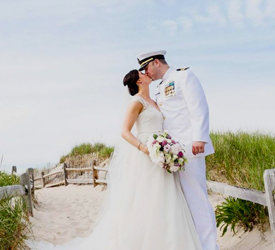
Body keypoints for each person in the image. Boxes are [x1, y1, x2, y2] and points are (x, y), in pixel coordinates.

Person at [28, 70, 202, 250]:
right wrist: (145, 149)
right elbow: (124, 132)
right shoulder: (137, 102)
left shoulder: (156, 102)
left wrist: (168, 148)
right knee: (147, 197)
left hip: (161, 153)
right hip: (146, 154)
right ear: (139, 81)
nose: (147, 73)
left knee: (166, 196)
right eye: (142, 73)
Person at [138, 50, 219, 250]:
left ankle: (210, 247)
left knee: (197, 199)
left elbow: (198, 107)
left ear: (156, 62)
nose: (146, 73)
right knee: (182, 202)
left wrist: (199, 138)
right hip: (170, 154)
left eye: (146, 68)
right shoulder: (160, 87)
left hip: (190, 149)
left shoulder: (183, 76)